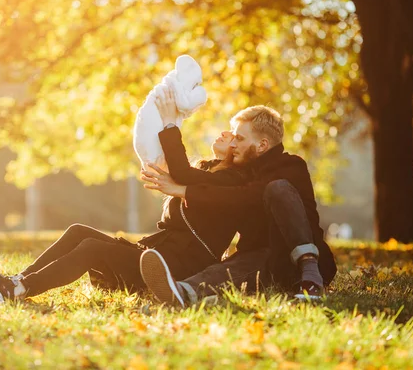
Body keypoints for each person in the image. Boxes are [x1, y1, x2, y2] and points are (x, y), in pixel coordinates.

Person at [0, 87, 248, 303]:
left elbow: (184, 174)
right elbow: (182, 174)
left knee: (92, 248)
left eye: (235, 136)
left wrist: (169, 124)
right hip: (155, 255)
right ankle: (16, 280)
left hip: (173, 268)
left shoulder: (230, 180)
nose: (226, 133)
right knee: (79, 231)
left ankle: (18, 290)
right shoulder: (208, 171)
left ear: (241, 153)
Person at [139, 103, 337, 307]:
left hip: (306, 263)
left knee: (277, 188)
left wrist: (185, 191)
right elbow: (199, 179)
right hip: (267, 262)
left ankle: (310, 273)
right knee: (230, 268)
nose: (233, 144)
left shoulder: (291, 166)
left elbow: (248, 196)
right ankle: (183, 291)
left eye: (240, 139)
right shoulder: (240, 174)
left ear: (262, 145)